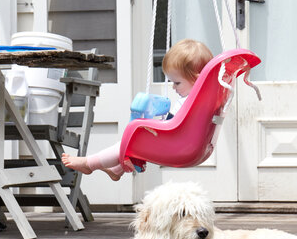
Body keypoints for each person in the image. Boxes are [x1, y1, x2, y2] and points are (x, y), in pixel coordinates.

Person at [61, 39, 214, 181]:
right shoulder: (204, 100)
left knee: (132, 138)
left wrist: (157, 124)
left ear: (197, 78)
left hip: (179, 145)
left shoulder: (191, 101)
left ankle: (89, 164)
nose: (173, 87)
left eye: (177, 82)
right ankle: (117, 168)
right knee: (137, 143)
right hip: (185, 144)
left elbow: (175, 124)